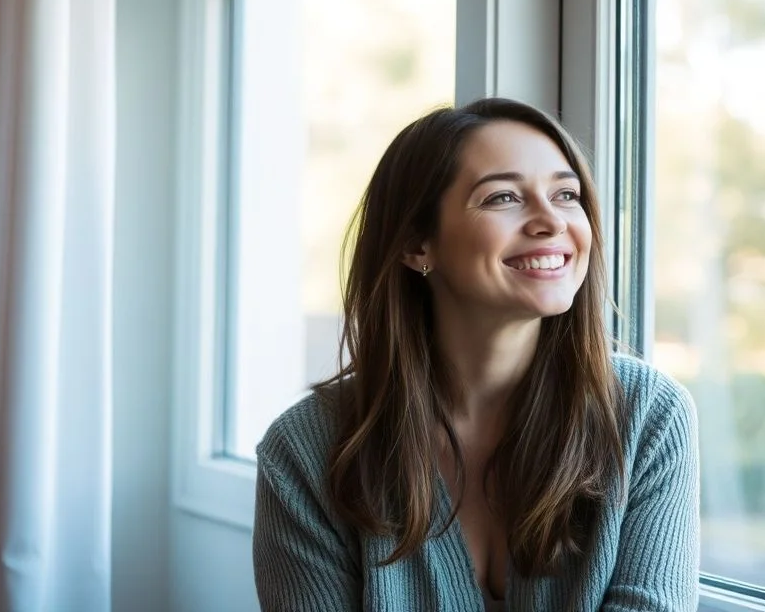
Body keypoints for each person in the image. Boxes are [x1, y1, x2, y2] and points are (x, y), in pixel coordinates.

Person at [252, 98, 700, 611]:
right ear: (417, 244)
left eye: (566, 194)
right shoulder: (306, 451)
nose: (551, 221)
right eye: (504, 197)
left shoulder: (649, 415)